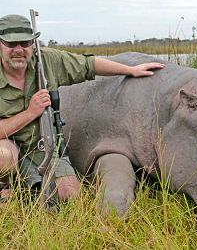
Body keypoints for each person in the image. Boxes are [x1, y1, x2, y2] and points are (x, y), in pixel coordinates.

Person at [0, 14, 164, 201]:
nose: (18, 50)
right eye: (11, 44)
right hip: (7, 144)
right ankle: (6, 188)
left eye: (25, 42)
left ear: (32, 43)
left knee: (69, 195)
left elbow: (89, 65)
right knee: (3, 157)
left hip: (43, 145)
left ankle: (28, 189)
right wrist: (30, 113)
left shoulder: (47, 60)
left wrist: (131, 70)